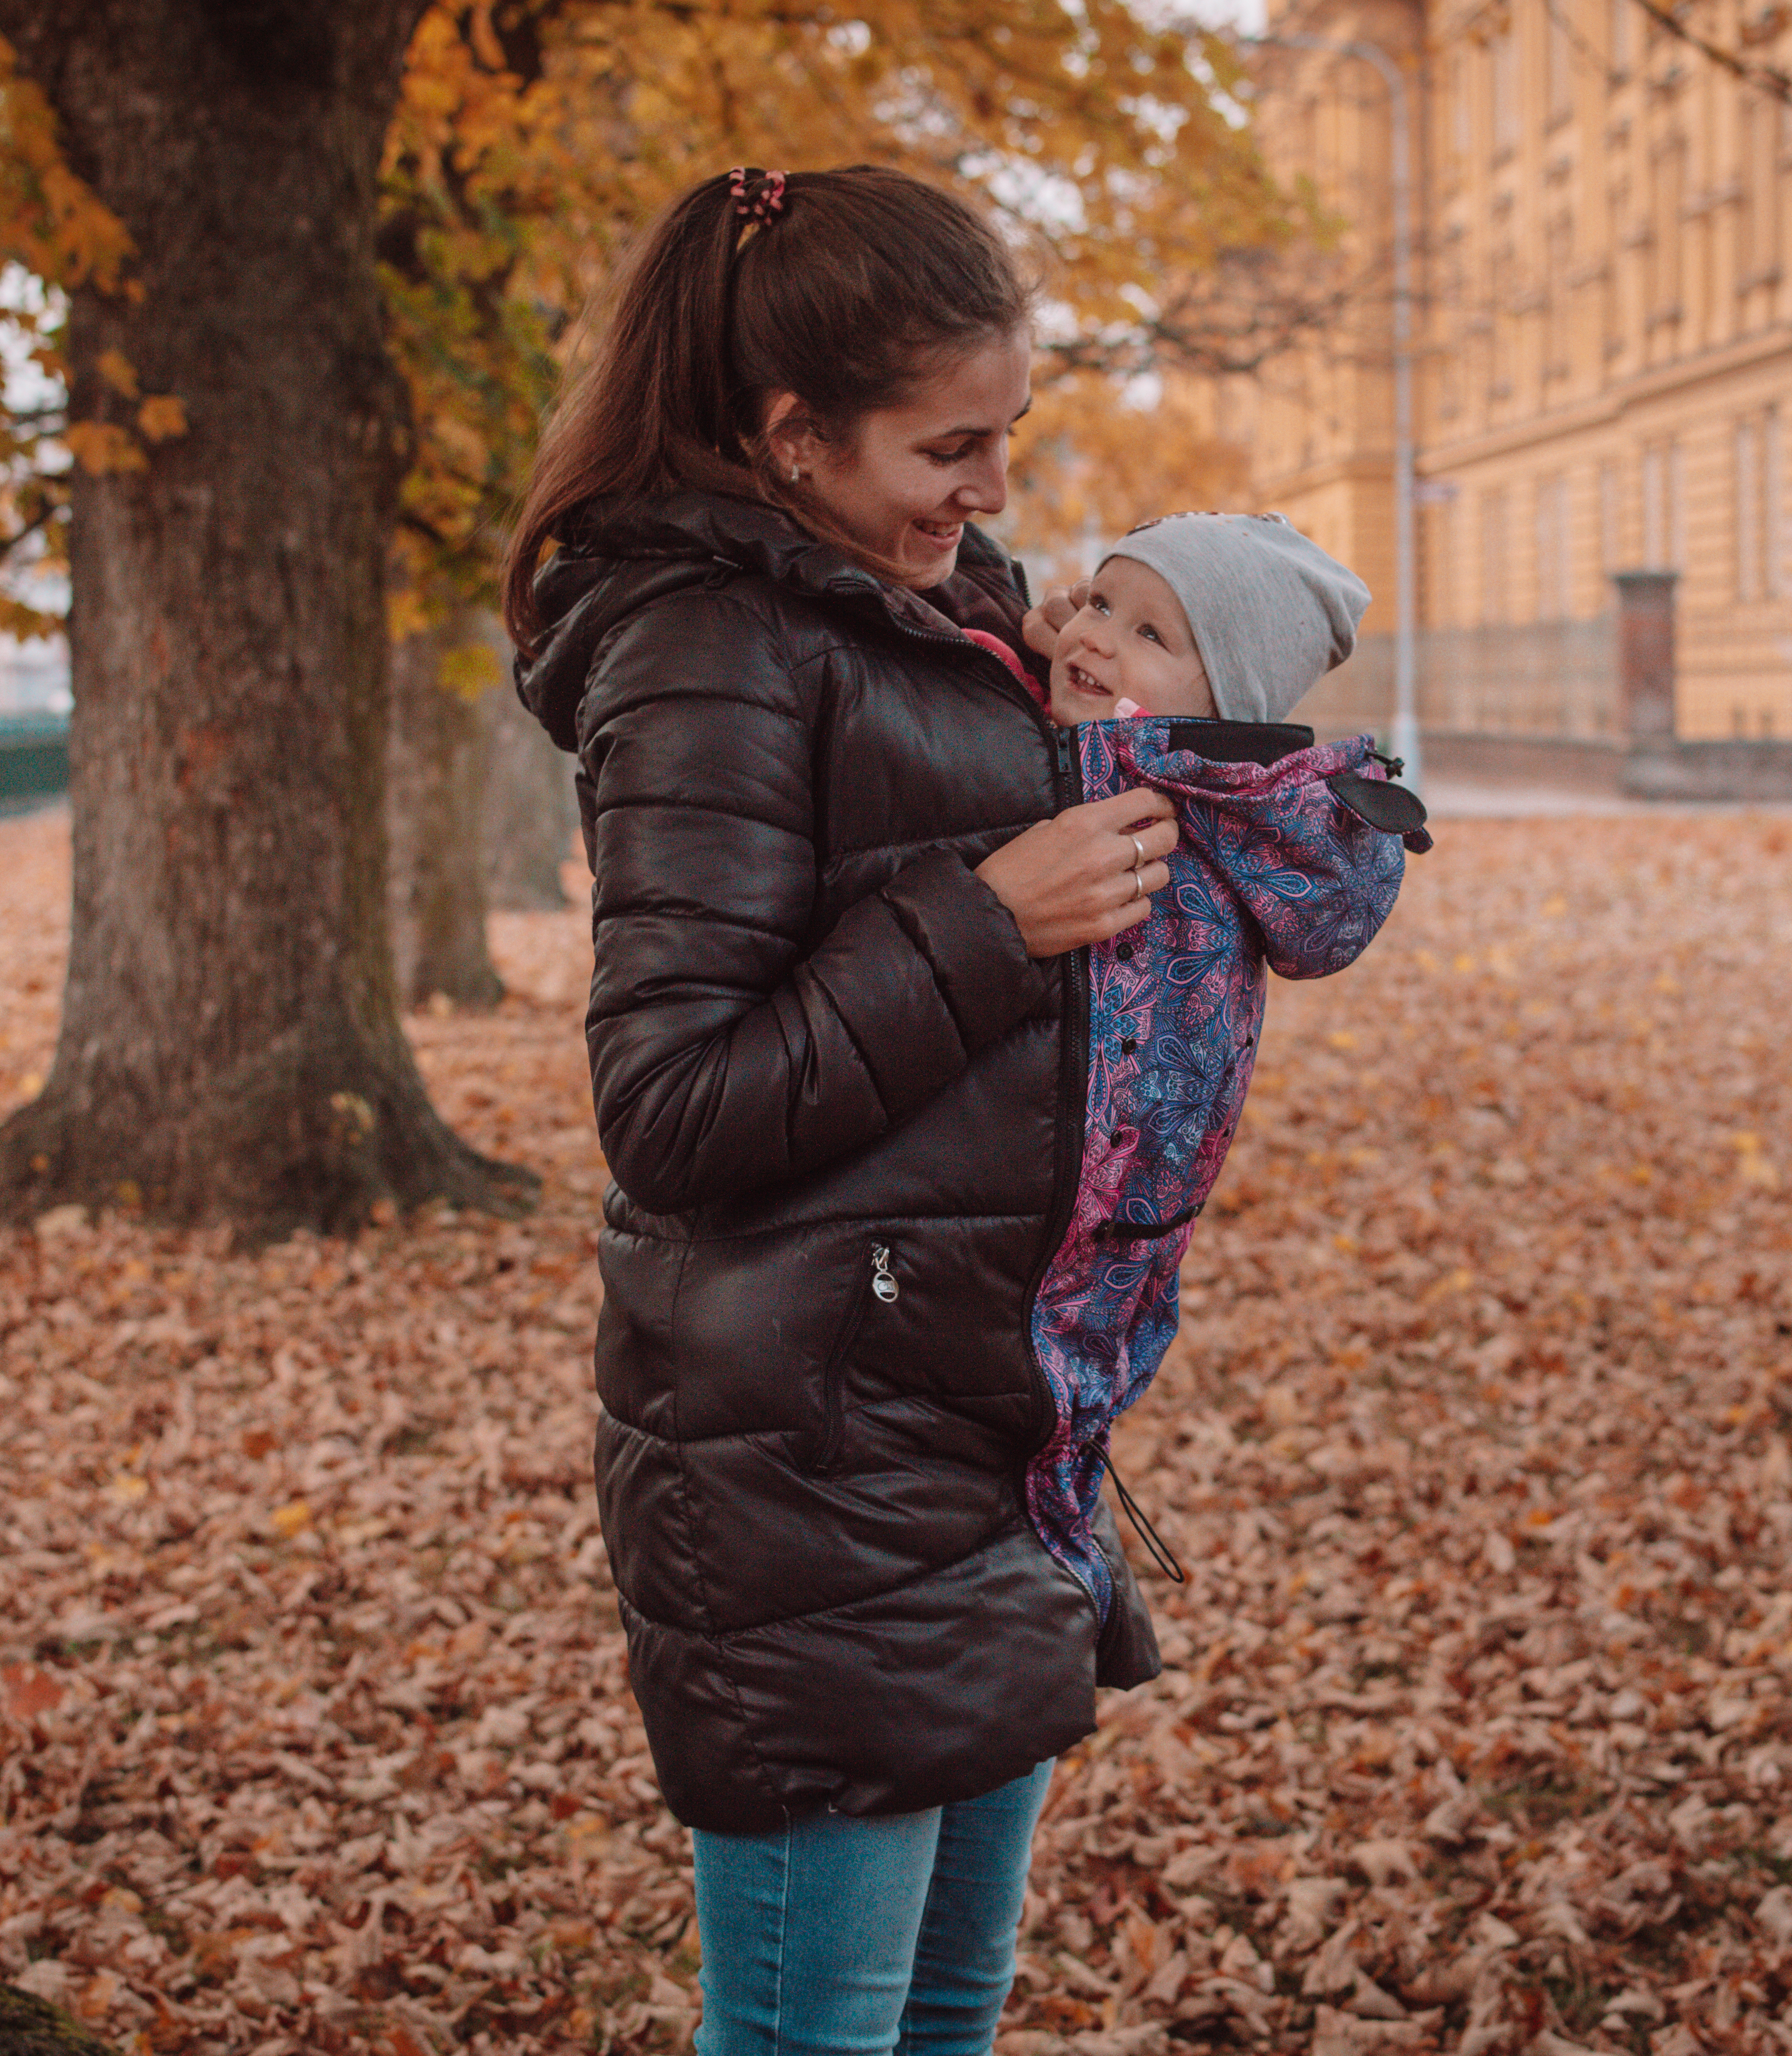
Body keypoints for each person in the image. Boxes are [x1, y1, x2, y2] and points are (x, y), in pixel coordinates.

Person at [505, 164, 1186, 2056]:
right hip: (810, 1467)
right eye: (944, 446)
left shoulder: (923, 607)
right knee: (819, 2040)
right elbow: (673, 1106)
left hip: (977, 1426)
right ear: (789, 435)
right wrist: (989, 917)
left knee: (947, 2011)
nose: (987, 488)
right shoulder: (703, 648)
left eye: (1006, 441)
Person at [1006, 513, 1430, 1625]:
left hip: (1119, 1215)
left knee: (1057, 1422)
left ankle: (1059, 1571)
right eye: (1099, 603)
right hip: (1023, 1198)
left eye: (1151, 631)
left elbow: (1322, 914)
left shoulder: (1225, 816)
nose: (1097, 638)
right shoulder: (1045, 747)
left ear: (1220, 699)